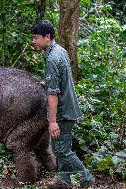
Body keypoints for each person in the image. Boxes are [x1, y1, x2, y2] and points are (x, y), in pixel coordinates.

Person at [31, 20, 95, 189]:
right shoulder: (60, 51)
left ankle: (86, 177)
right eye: (33, 38)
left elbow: (53, 94)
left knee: (61, 150)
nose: (34, 41)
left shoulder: (52, 58)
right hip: (70, 107)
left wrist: (52, 122)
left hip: (63, 111)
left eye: (36, 38)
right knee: (62, 146)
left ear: (47, 37)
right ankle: (64, 181)